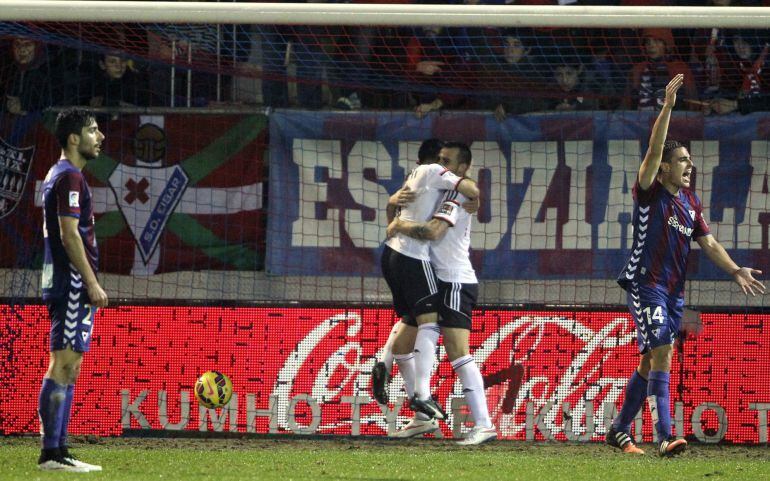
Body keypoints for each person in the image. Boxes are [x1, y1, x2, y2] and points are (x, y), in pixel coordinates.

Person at [607, 75, 765, 457]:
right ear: (662, 167)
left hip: (674, 292)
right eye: (681, 161)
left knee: (652, 359)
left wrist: (735, 270)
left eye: (690, 162)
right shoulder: (650, 191)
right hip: (645, 284)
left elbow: (708, 243)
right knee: (661, 349)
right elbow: (655, 147)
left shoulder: (690, 204)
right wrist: (666, 108)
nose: (688, 166)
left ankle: (618, 430)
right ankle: (665, 435)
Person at [386, 142, 496, 446]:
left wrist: (398, 224)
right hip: (433, 279)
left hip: (455, 282)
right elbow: (405, 199)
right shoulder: (439, 187)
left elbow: (433, 232)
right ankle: (424, 417)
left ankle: (484, 425)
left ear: (462, 169)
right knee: (401, 346)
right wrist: (393, 201)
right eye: (439, 160)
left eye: (448, 161)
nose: (441, 165)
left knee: (458, 351)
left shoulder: (457, 196)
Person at [37, 108, 109, 472]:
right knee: (63, 363)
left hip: (68, 281)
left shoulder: (62, 176)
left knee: (71, 366)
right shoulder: (68, 178)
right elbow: (68, 234)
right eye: (93, 130)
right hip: (71, 282)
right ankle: (51, 453)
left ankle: (60, 450)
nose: (101, 137)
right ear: (73, 139)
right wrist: (91, 282)